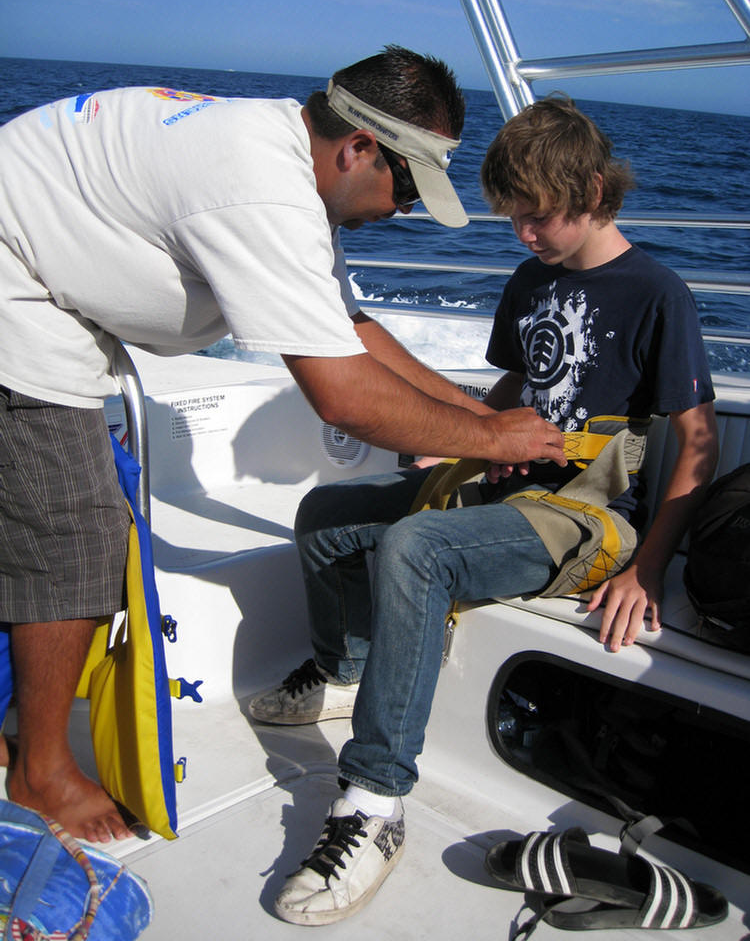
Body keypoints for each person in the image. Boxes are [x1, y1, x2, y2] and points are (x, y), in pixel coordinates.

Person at [0, 47, 566, 845]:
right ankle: (39, 772)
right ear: (359, 148)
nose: (404, 209)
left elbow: (352, 330)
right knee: (76, 536)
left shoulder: (287, 161)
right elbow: (342, 395)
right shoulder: (258, 187)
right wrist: (484, 438)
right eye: (407, 185)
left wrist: (470, 408)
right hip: (15, 289)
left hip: (48, 280)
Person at [249, 95, 719, 926]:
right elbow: (512, 392)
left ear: (597, 192)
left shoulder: (657, 292)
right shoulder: (531, 278)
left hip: (585, 515)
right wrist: (457, 436)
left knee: (417, 548)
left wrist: (648, 566)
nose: (524, 237)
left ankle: (374, 799)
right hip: (501, 482)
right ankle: (343, 667)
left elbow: (697, 439)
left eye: (538, 219)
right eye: (513, 220)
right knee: (328, 514)